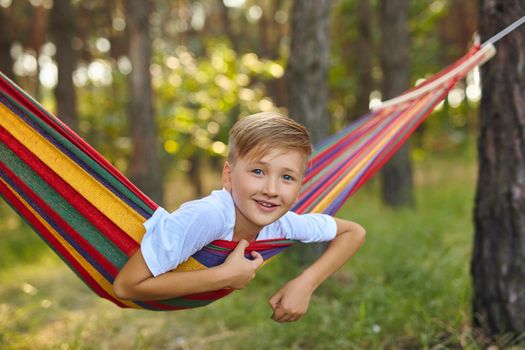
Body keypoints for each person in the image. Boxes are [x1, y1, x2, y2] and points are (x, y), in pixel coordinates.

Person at [113, 112, 366, 323]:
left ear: (300, 187)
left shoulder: (282, 224)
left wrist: (306, 283)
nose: (272, 189)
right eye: (258, 171)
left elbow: (354, 232)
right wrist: (225, 277)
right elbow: (126, 286)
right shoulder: (206, 217)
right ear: (228, 175)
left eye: (287, 177)